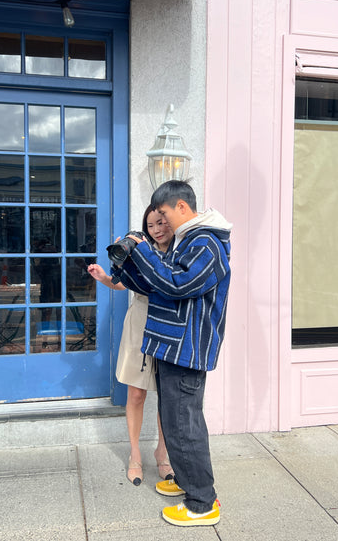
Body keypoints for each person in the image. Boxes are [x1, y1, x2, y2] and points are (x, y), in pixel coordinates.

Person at [117, 180, 232, 527]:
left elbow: (177, 284)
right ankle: (187, 480)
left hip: (186, 350)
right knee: (176, 422)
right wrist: (128, 264)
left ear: (182, 206)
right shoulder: (189, 240)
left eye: (165, 214)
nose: (163, 222)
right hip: (173, 346)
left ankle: (202, 503)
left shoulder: (206, 244)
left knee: (184, 426)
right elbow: (159, 285)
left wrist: (145, 252)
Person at [87, 205, 174, 486]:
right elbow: (123, 284)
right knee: (136, 394)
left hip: (170, 325)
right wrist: (104, 277)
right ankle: (134, 454)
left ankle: (162, 452)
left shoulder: (181, 251)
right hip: (139, 323)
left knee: (168, 395)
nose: (157, 230)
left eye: (161, 223)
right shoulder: (140, 250)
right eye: (151, 225)